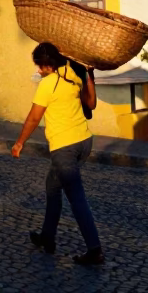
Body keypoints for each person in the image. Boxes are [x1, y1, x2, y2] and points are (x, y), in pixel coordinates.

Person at [10, 42, 103, 265]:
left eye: (39, 67)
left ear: (46, 65)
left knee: (76, 197)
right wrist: (89, 74)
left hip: (65, 148)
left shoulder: (48, 84)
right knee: (52, 185)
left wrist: (19, 142)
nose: (38, 71)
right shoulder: (71, 73)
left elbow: (34, 118)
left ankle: (94, 250)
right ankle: (47, 237)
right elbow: (91, 103)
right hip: (84, 142)